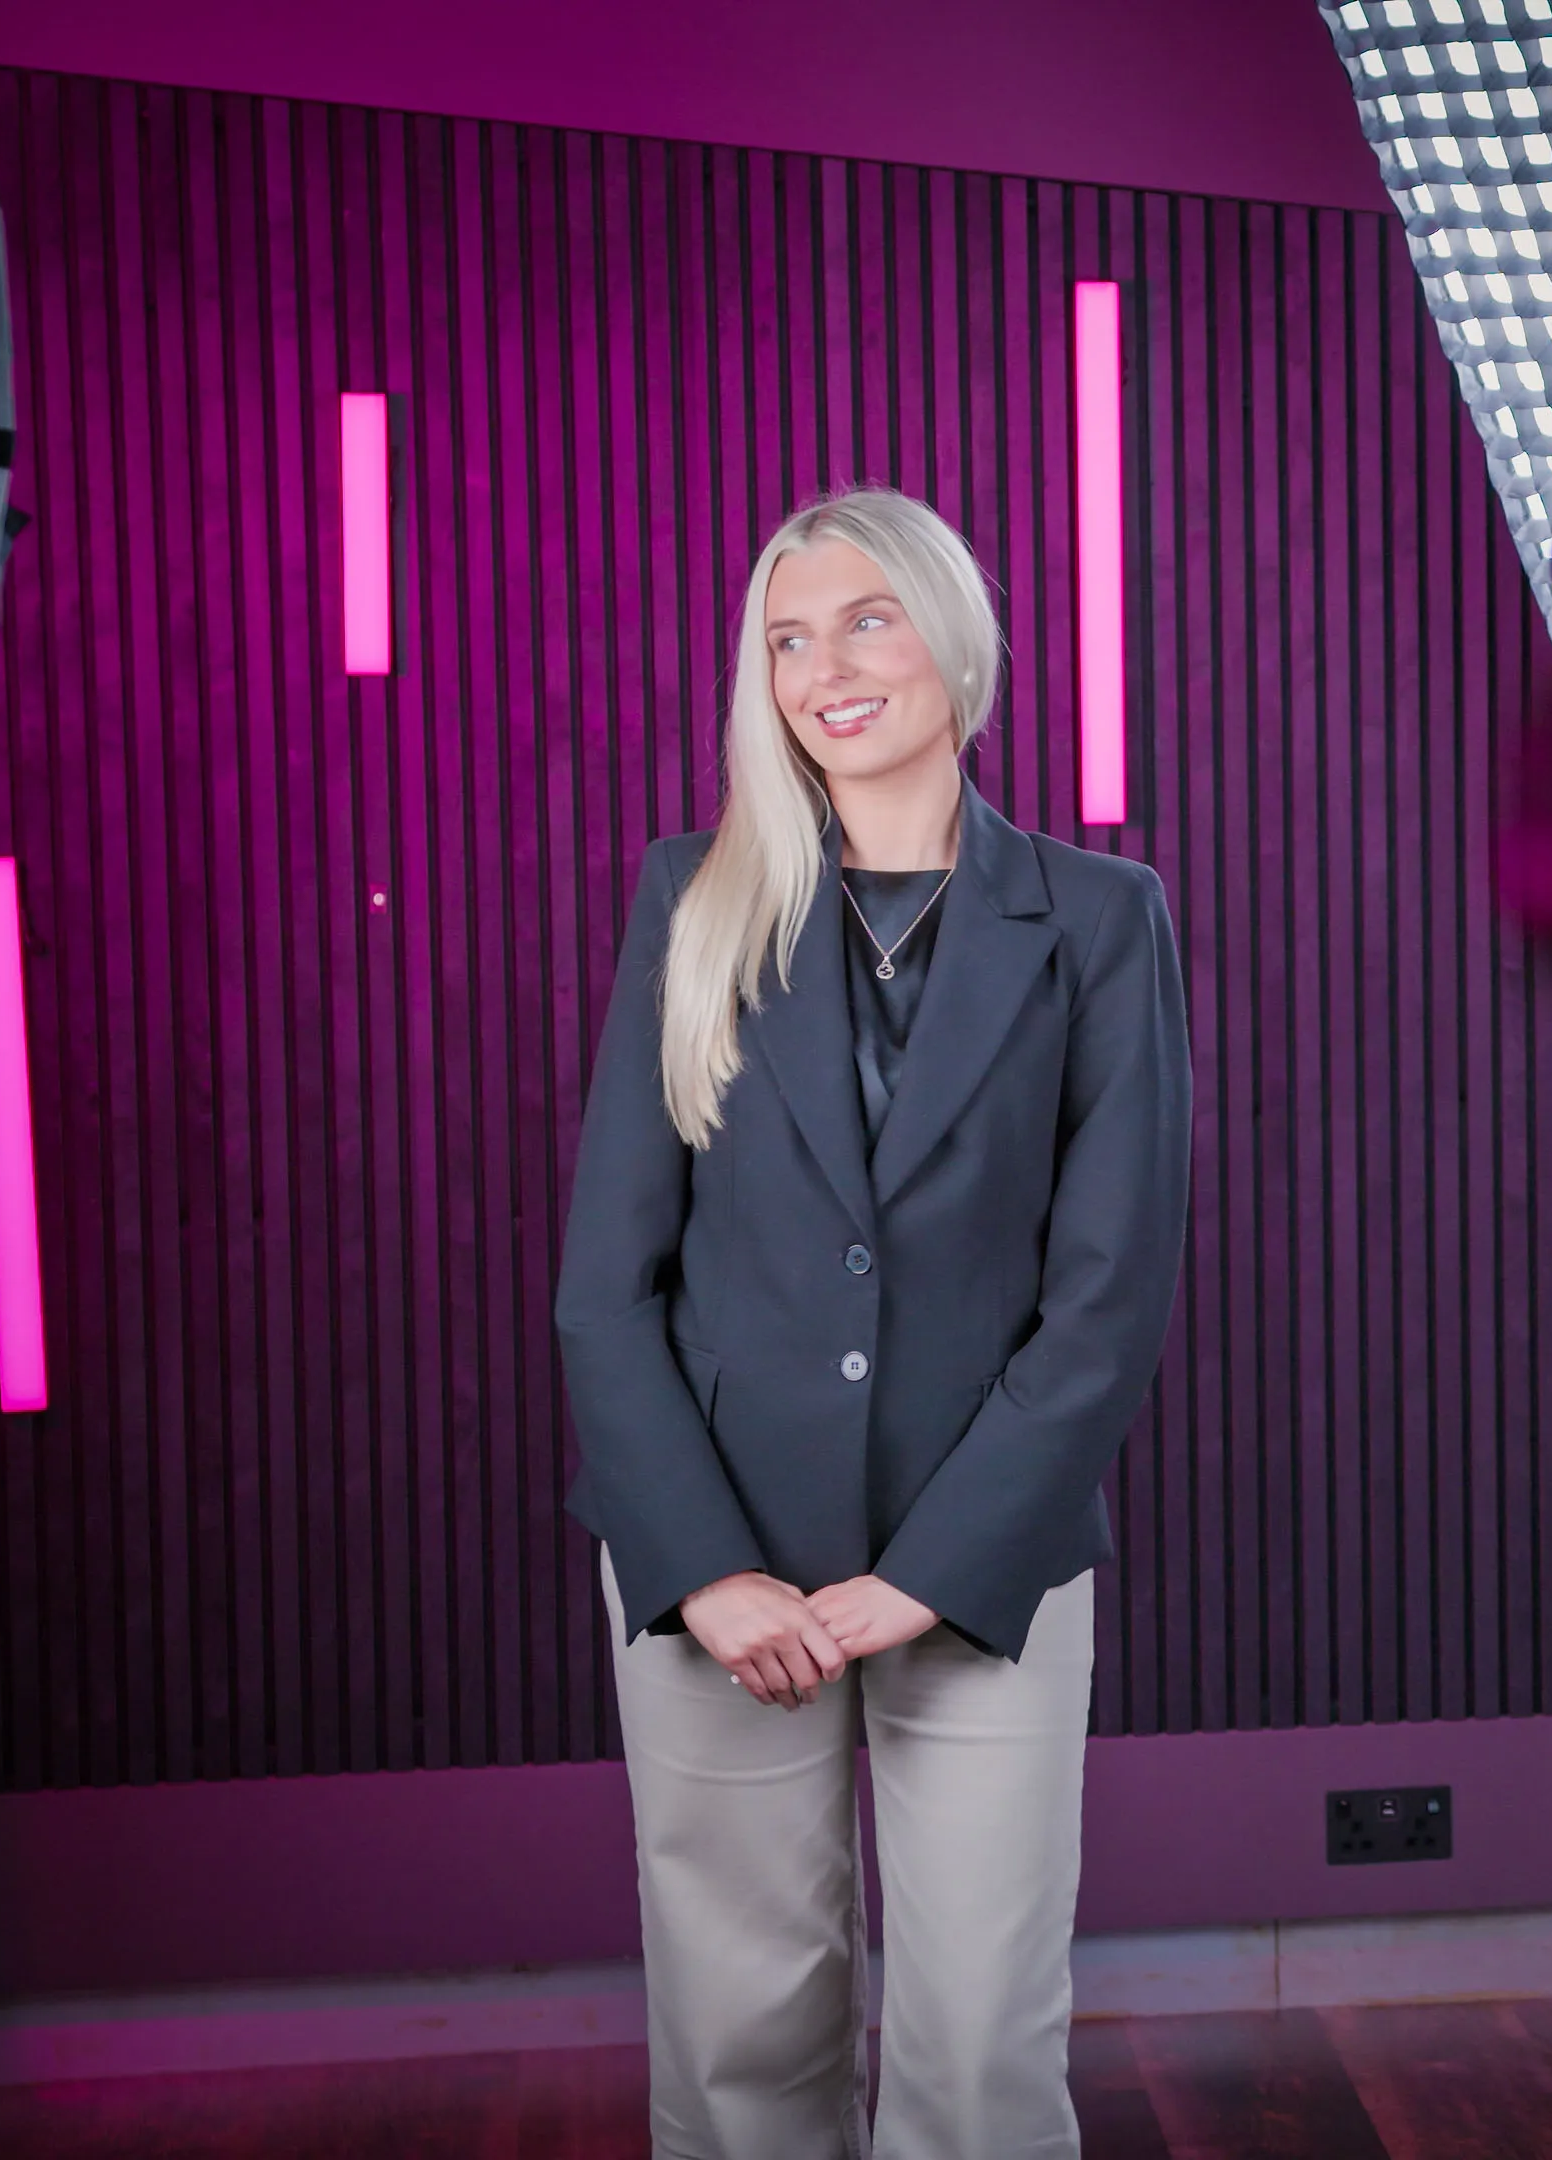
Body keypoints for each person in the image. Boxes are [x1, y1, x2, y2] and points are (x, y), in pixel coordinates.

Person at [554, 486, 1190, 2158]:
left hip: (982, 1565)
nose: (823, 667)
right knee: (740, 2032)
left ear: (954, 644)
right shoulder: (690, 897)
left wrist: (927, 1573)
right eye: (784, 638)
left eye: (864, 619)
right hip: (718, 1566)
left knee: (982, 2045)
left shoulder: (1104, 923)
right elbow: (606, 1287)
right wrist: (698, 1564)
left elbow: (1107, 1298)